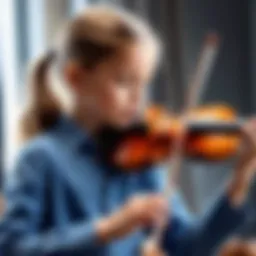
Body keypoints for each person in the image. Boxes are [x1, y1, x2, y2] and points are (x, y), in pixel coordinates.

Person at [0, 5, 256, 256]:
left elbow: (189, 247)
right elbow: (12, 249)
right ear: (75, 78)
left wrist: (240, 178)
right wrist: (108, 228)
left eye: (143, 83)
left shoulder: (142, 161)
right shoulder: (40, 158)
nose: (138, 97)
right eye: (124, 81)